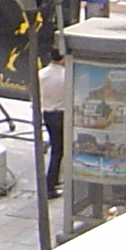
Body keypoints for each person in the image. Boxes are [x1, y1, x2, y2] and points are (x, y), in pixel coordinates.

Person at [36, 55, 70, 197]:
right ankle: (52, 184)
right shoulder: (65, 76)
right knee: (60, 150)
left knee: (56, 149)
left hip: (48, 113)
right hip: (62, 113)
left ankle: (52, 183)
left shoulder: (42, 74)